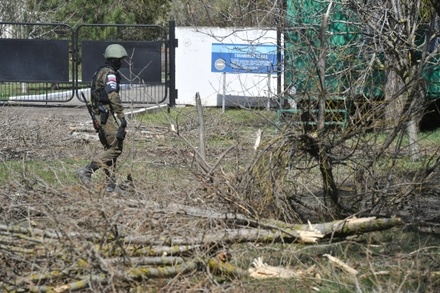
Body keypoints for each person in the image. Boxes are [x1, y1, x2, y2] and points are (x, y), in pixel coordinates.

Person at [77, 44, 128, 192]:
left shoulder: (100, 71)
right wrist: (121, 116)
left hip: (100, 116)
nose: (122, 62)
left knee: (109, 149)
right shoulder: (110, 74)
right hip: (107, 117)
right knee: (116, 149)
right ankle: (87, 170)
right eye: (121, 60)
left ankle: (110, 185)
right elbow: (113, 95)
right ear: (115, 59)